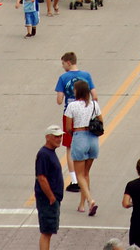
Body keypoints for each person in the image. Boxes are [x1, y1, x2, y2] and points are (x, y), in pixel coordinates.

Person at [55, 53, 96, 193]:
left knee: (69, 147)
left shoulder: (63, 78)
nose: (62, 66)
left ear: (68, 62)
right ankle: (84, 176)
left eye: (62, 63)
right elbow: (95, 96)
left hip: (70, 115)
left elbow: (59, 100)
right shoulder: (87, 75)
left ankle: (74, 180)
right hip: (86, 115)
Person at [63, 79, 103, 216]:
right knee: (86, 174)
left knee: (79, 174)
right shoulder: (94, 105)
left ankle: (90, 201)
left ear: (77, 91)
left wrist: (74, 134)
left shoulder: (72, 106)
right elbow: (101, 121)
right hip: (93, 139)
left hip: (79, 137)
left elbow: (68, 127)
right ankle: (82, 204)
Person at [35, 125, 65, 250]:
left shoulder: (50, 153)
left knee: (49, 231)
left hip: (53, 199)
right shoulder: (44, 154)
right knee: (46, 232)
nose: (59, 139)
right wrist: (51, 197)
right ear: (48, 137)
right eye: (56, 137)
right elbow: (41, 177)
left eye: (60, 136)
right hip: (47, 200)